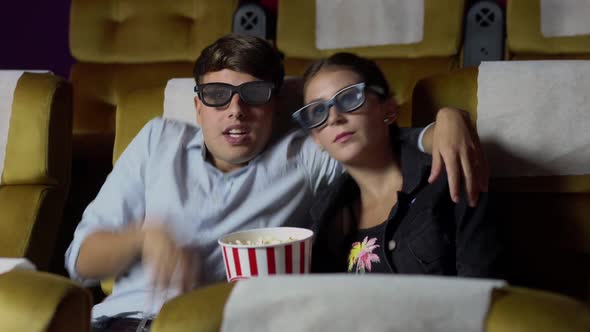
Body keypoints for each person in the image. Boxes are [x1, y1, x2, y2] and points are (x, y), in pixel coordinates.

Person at [65, 34, 488, 331]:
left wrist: (448, 120)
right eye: (216, 96)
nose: (235, 110)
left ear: (275, 104)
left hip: (217, 326)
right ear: (197, 106)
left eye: (253, 95)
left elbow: (373, 137)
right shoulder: (158, 139)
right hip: (115, 323)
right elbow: (79, 261)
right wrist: (142, 240)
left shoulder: (305, 155)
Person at [293, 53, 503, 277]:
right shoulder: (323, 214)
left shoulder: (448, 176)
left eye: (350, 98)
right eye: (317, 111)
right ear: (316, 139)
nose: (334, 117)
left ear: (389, 110)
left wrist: (450, 114)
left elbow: (481, 287)